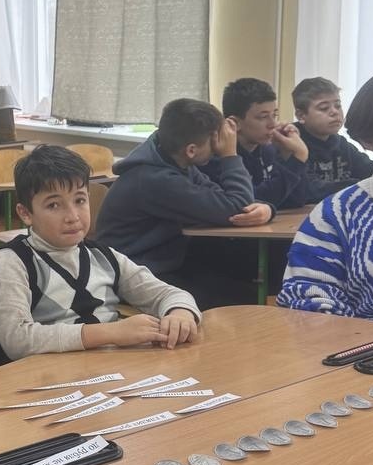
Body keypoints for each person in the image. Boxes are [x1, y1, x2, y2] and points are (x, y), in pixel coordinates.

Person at [0, 145, 199, 362]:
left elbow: (168, 294)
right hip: (50, 375)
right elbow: (17, 339)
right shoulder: (12, 261)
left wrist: (180, 312)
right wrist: (111, 333)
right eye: (54, 205)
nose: (72, 216)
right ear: (25, 213)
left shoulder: (103, 257)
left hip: (112, 369)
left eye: (79, 200)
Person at [96, 98, 265, 309]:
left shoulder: (172, 160)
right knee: (238, 304)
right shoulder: (156, 180)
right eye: (213, 141)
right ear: (191, 150)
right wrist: (230, 155)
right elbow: (235, 206)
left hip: (162, 264)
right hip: (133, 276)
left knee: (246, 290)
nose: (217, 147)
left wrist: (267, 209)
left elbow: (226, 199)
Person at [277, 68, 373, 320]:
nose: (333, 112)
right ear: (368, 139)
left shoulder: (341, 147)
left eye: (336, 105)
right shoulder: (336, 216)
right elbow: (310, 306)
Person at [201, 77, 312, 209]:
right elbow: (252, 201)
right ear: (235, 123)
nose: (273, 124)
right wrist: (298, 159)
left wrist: (288, 155)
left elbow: (297, 200)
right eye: (263, 117)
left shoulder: (268, 149)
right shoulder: (218, 156)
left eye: (274, 115)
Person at [291, 76, 373, 197]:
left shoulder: (341, 143)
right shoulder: (292, 144)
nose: (335, 112)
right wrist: (360, 185)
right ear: (301, 116)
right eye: (324, 108)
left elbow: (372, 171)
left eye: (338, 105)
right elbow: (309, 189)